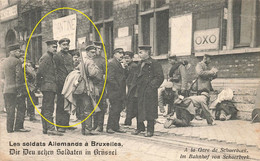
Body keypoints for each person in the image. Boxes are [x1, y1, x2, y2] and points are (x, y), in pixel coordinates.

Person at [131, 45, 164, 137]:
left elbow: (160, 77)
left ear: (147, 52)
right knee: (138, 108)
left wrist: (151, 87)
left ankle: (150, 130)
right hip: (139, 90)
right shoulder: (140, 63)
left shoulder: (154, 63)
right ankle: (140, 127)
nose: (139, 54)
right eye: (139, 52)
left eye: (141, 52)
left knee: (150, 110)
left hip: (149, 91)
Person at [2, 44, 30, 133]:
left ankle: (9, 129)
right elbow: (19, 77)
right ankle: (19, 126)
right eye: (18, 51)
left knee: (10, 109)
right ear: (13, 52)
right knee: (22, 107)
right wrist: (19, 90)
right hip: (16, 90)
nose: (20, 53)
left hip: (6, 89)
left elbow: (2, 76)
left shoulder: (4, 61)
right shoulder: (17, 61)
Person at [73, 45, 101, 135]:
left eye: (94, 52)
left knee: (82, 109)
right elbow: (92, 73)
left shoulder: (82, 61)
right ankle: (88, 129)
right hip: (88, 87)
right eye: (92, 52)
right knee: (88, 109)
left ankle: (84, 129)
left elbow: (76, 70)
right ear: (88, 52)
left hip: (80, 88)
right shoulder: (89, 61)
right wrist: (97, 69)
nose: (94, 54)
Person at [36, 40, 63, 136]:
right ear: (48, 47)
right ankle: (50, 128)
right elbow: (39, 73)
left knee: (46, 108)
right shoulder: (46, 57)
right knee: (48, 108)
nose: (55, 49)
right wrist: (39, 85)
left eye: (56, 47)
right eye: (53, 47)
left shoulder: (51, 57)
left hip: (50, 86)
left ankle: (46, 128)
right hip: (48, 86)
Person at [54, 38, 74, 133]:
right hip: (61, 83)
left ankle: (66, 123)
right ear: (60, 46)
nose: (66, 46)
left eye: (67, 45)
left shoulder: (70, 56)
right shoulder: (56, 56)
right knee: (61, 104)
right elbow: (55, 70)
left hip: (69, 83)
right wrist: (58, 81)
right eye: (64, 45)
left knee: (68, 102)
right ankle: (59, 125)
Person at [106, 48, 127, 134]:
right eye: (119, 53)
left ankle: (116, 126)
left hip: (120, 90)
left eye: (122, 53)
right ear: (115, 54)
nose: (121, 55)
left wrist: (125, 68)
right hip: (114, 91)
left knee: (118, 108)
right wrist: (117, 87)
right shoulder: (111, 63)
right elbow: (110, 78)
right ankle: (109, 127)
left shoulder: (119, 63)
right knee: (114, 109)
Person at [92, 41, 107, 132]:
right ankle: (94, 124)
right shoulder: (89, 59)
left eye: (100, 49)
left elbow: (106, 74)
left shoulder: (103, 60)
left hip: (100, 87)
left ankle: (99, 125)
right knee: (92, 106)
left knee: (100, 106)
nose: (99, 51)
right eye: (97, 49)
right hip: (91, 86)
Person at [124, 51, 139, 126]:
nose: (126, 60)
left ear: (132, 58)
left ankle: (128, 120)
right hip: (129, 87)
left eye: (128, 58)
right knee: (130, 105)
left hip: (132, 89)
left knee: (131, 105)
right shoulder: (128, 66)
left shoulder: (133, 66)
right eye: (125, 58)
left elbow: (133, 79)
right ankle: (128, 120)